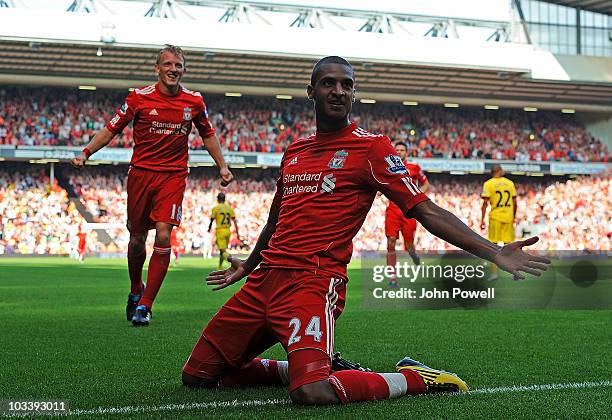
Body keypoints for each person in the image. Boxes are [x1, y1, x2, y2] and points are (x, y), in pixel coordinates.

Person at [182, 56, 549, 405]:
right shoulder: (294, 151)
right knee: (199, 376)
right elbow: (276, 218)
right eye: (328, 83)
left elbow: (425, 209)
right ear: (311, 92)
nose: (338, 91)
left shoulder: (371, 148)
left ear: (354, 94)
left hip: (312, 281)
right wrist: (248, 264)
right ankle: (308, 368)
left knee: (312, 393)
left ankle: (415, 378)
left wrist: (494, 251)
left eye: (347, 84)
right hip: (263, 282)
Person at [71, 44, 233, 326]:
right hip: (141, 176)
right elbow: (111, 128)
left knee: (162, 233)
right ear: (157, 69)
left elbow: (208, 135)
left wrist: (222, 165)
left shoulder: (194, 102)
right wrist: (86, 152)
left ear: (184, 70)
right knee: (136, 241)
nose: (173, 69)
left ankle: (145, 306)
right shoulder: (138, 98)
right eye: (167, 64)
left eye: (178, 65)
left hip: (172, 176)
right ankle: (136, 289)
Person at [384, 141, 428, 286]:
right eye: (397, 149)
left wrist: (417, 196)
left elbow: (426, 183)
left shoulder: (414, 167)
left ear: (406, 153)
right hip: (393, 209)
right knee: (390, 241)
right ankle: (392, 278)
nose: (399, 152)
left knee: (409, 246)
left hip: (409, 211)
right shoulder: (387, 168)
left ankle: (414, 255)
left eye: (402, 150)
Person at [480, 164, 517, 281]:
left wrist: (482, 219)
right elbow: (515, 203)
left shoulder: (488, 184)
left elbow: (485, 204)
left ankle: (494, 273)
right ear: (499, 171)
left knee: (493, 247)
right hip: (508, 217)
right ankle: (515, 272)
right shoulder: (510, 183)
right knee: (510, 246)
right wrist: (513, 216)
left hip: (495, 217)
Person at [208, 192, 241, 269]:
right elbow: (234, 221)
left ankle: (234, 262)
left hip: (220, 230)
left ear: (217, 199)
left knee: (222, 251)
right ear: (224, 199)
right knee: (222, 250)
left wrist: (209, 229)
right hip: (228, 231)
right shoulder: (229, 208)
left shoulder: (215, 208)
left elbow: (212, 220)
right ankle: (219, 266)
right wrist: (237, 232)